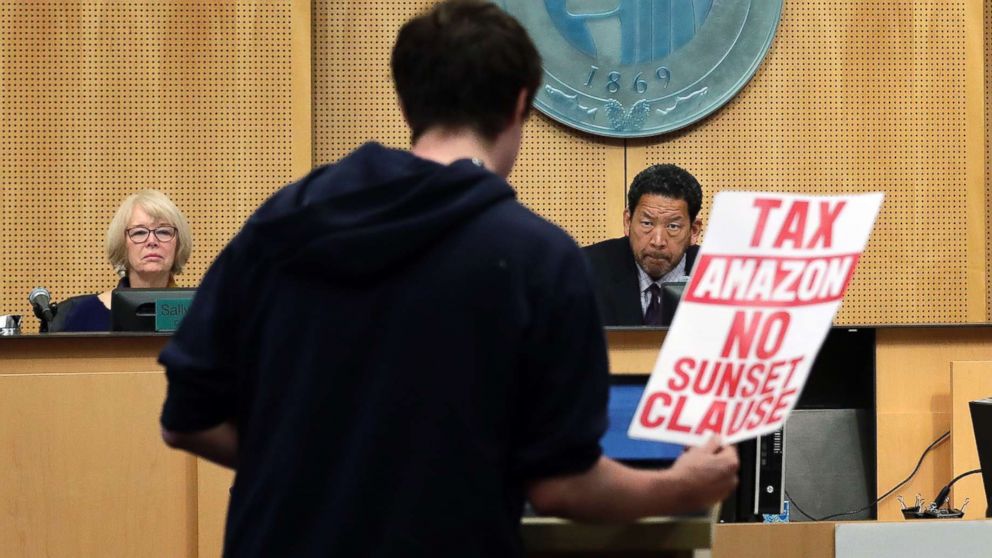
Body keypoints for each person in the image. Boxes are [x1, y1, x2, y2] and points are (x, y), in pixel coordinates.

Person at [158, 2, 737, 556]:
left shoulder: (283, 220)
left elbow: (188, 418)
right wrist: (684, 486)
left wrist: (318, 473)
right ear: (518, 105)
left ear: (409, 102)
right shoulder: (538, 258)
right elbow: (563, 485)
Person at [53, 189, 192, 332]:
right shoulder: (81, 315)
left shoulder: (201, 314)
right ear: (122, 245)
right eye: (139, 232)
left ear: (178, 244)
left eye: (163, 231)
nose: (152, 241)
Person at [584, 164, 704, 326]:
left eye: (673, 227)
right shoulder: (587, 271)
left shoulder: (717, 277)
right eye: (647, 223)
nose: (658, 241)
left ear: (694, 230)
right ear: (628, 222)